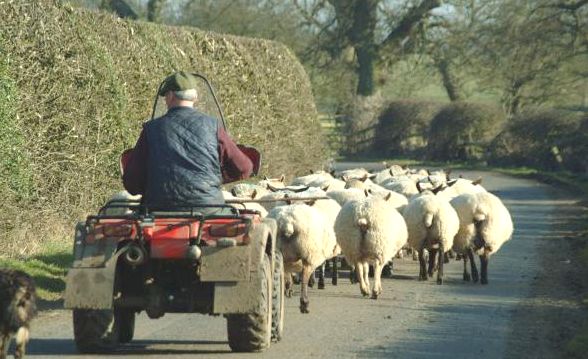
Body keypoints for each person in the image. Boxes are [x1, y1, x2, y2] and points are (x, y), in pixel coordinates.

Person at [122, 71, 253, 209]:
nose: (165, 100)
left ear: (171, 95)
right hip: (209, 211)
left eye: (166, 96)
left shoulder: (151, 129)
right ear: (195, 97)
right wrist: (217, 177)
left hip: (158, 213)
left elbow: (132, 183)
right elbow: (244, 168)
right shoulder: (213, 126)